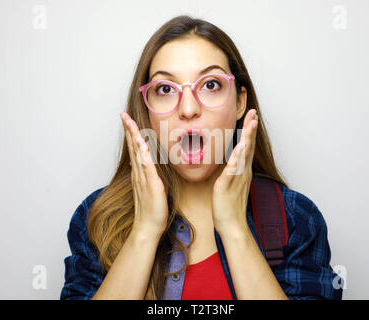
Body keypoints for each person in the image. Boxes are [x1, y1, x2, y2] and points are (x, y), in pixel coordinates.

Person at [60, 15, 343, 300]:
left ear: (240, 101)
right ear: (146, 111)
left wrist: (234, 228)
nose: (188, 108)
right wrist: (145, 230)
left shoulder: (296, 219)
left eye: (210, 85)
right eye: (165, 89)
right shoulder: (96, 218)